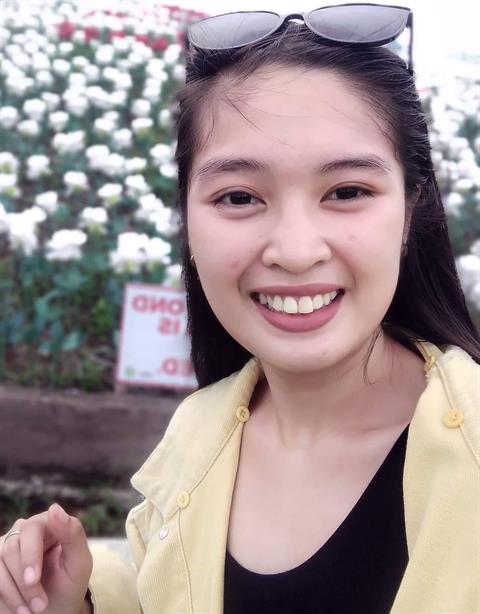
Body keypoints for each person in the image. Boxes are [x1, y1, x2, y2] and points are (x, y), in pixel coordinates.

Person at [1, 4, 479, 614]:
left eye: (347, 191)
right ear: (188, 221)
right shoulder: (196, 439)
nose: (296, 252)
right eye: (239, 197)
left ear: (410, 212)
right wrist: (77, 604)